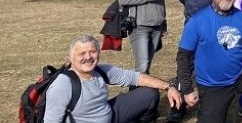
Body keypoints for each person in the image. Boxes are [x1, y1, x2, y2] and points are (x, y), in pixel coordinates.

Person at [44, 35, 182, 123]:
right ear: (71, 58)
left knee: (149, 93)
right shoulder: (63, 85)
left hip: (109, 114)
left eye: (92, 51)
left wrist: (169, 87)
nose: (88, 57)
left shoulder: (100, 71)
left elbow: (135, 77)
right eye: (81, 53)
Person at [170, 0, 230, 122]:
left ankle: (209, 102)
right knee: (185, 63)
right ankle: (178, 106)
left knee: (212, 63)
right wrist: (193, 6)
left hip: (216, 21)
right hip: (193, 22)